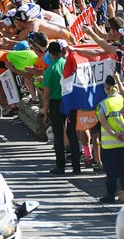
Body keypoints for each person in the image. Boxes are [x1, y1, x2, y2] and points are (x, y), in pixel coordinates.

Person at [43, 40, 81, 174]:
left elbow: (46, 94)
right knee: (72, 134)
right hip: (70, 102)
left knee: (58, 136)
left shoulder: (50, 70)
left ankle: (61, 166)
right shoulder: (69, 64)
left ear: (50, 53)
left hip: (56, 103)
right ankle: (77, 166)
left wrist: (45, 111)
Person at [96, 75, 124, 203]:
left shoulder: (103, 104)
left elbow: (104, 123)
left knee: (111, 172)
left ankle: (110, 195)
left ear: (106, 88)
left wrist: (114, 134)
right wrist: (123, 133)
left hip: (109, 144)